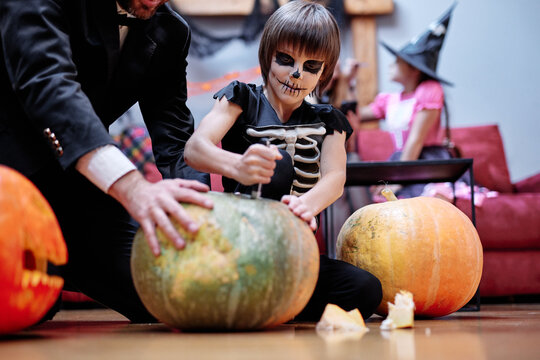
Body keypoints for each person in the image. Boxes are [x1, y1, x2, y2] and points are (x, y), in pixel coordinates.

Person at [0, 0, 213, 323]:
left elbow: (175, 138)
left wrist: (203, 213)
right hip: (8, 175)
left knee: (173, 289)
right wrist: (134, 189)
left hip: (76, 186)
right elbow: (49, 85)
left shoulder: (171, 30)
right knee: (30, 306)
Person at [185, 0, 382, 321]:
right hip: (241, 244)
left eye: (311, 66)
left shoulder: (329, 119)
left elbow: (335, 178)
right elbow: (195, 148)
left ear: (324, 72)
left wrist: (306, 205)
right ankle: (266, 298)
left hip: (292, 253)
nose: (296, 74)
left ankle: (272, 302)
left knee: (366, 290)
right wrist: (236, 166)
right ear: (267, 56)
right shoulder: (241, 98)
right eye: (286, 60)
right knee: (278, 163)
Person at [353, 4, 457, 198]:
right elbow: (353, 115)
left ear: (414, 68)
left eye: (398, 60)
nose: (392, 64)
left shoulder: (429, 91)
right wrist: (346, 80)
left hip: (425, 161)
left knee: (428, 199)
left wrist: (398, 181)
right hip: (401, 160)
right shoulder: (389, 100)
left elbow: (416, 140)